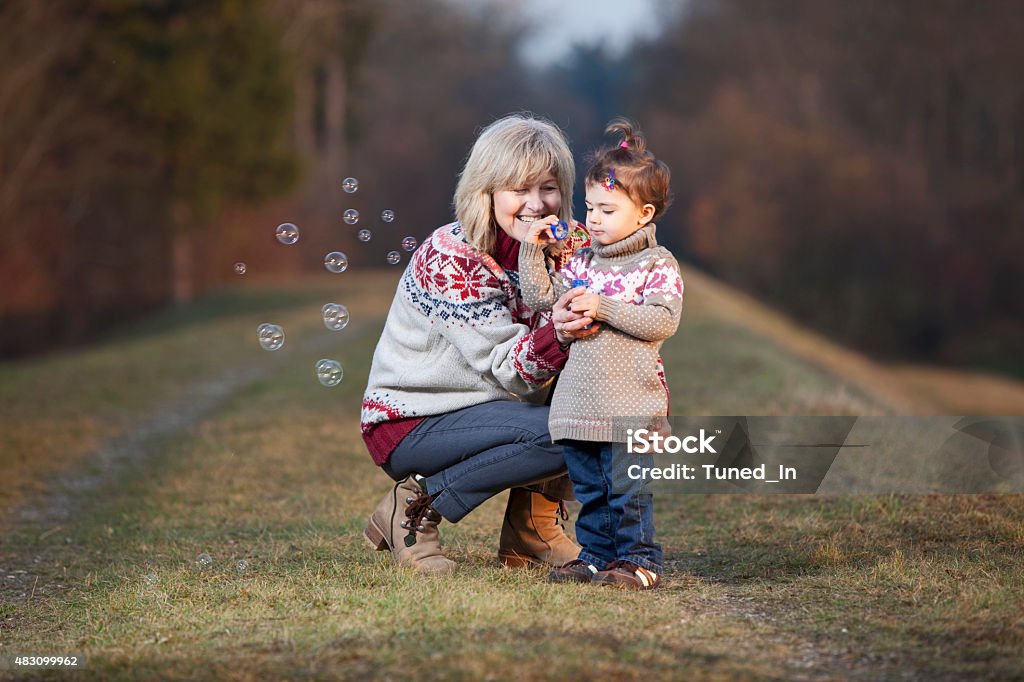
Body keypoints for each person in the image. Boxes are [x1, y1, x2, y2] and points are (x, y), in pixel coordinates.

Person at [360, 113, 597, 574]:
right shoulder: (454, 257)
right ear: (486, 192)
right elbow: (512, 370)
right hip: (416, 418)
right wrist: (563, 331)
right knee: (568, 430)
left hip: (490, 409)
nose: (536, 204)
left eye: (548, 187)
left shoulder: (557, 253)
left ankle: (532, 531)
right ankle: (413, 508)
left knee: (597, 402)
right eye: (519, 189)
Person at [517, 118, 683, 590]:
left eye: (607, 210)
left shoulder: (656, 264)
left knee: (626, 491)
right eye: (589, 207)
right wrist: (534, 252)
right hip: (578, 404)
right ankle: (594, 555)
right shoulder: (582, 261)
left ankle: (638, 559)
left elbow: (662, 321)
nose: (592, 220)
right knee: (591, 490)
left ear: (644, 214)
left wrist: (605, 305)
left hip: (630, 404)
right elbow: (541, 298)